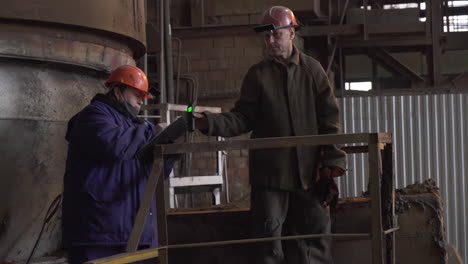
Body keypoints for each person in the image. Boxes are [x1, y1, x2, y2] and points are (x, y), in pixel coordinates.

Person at [195, 6, 347, 264]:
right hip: (270, 178)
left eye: (275, 35)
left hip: (308, 176)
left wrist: (331, 164)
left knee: (314, 245)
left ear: (291, 32)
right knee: (268, 245)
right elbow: (242, 117)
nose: (270, 41)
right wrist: (207, 123)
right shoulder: (258, 75)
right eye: (266, 36)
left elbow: (330, 121)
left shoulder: (313, 71)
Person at [62, 65, 173, 264]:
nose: (141, 100)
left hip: (135, 232)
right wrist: (152, 133)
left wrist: (170, 149)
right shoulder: (93, 117)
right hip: (100, 233)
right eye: (136, 94)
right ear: (118, 92)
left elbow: (155, 173)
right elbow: (114, 146)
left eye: (143, 96)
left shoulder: (138, 127)